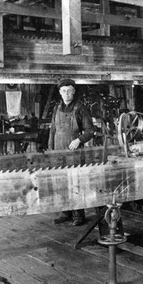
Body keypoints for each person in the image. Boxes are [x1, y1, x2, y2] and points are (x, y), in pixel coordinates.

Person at [49, 78, 95, 226]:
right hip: (58, 151)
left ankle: (78, 215)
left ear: (74, 92)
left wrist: (79, 140)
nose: (66, 93)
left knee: (75, 182)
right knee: (61, 181)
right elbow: (53, 130)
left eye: (69, 90)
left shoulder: (80, 108)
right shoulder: (57, 108)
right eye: (64, 91)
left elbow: (90, 131)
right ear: (60, 92)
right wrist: (50, 149)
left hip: (74, 151)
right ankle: (65, 213)